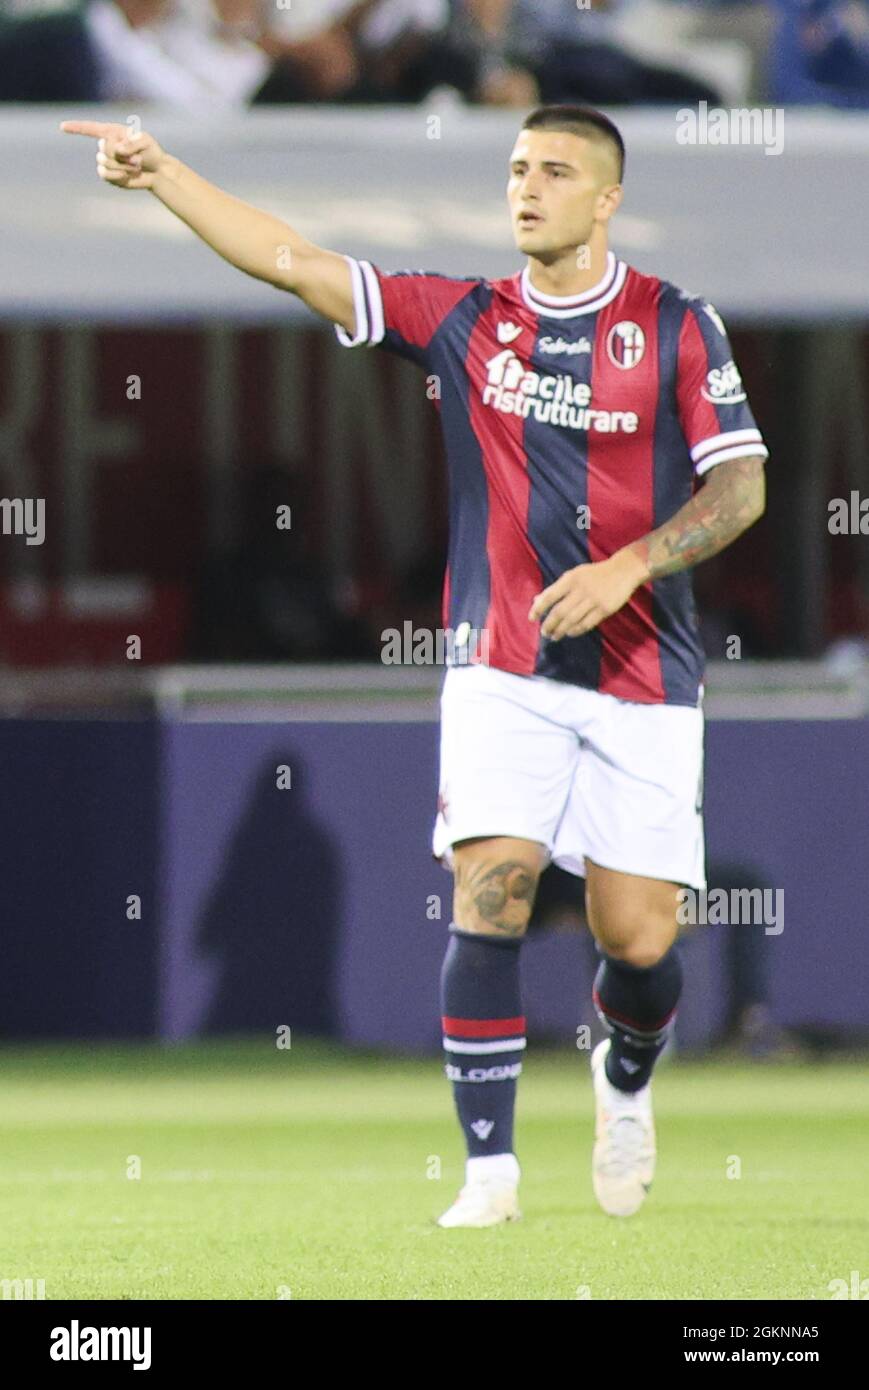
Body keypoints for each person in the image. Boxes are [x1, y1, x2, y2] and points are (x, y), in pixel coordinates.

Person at [60, 104, 768, 1225]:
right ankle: (487, 1171)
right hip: (501, 665)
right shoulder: (465, 319)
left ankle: (624, 1072)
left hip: (640, 674)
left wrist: (628, 565)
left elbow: (740, 489)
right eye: (515, 168)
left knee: (637, 942)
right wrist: (165, 176)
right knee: (489, 896)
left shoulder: (677, 326)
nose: (525, 187)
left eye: (553, 170)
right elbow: (293, 263)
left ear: (606, 197)